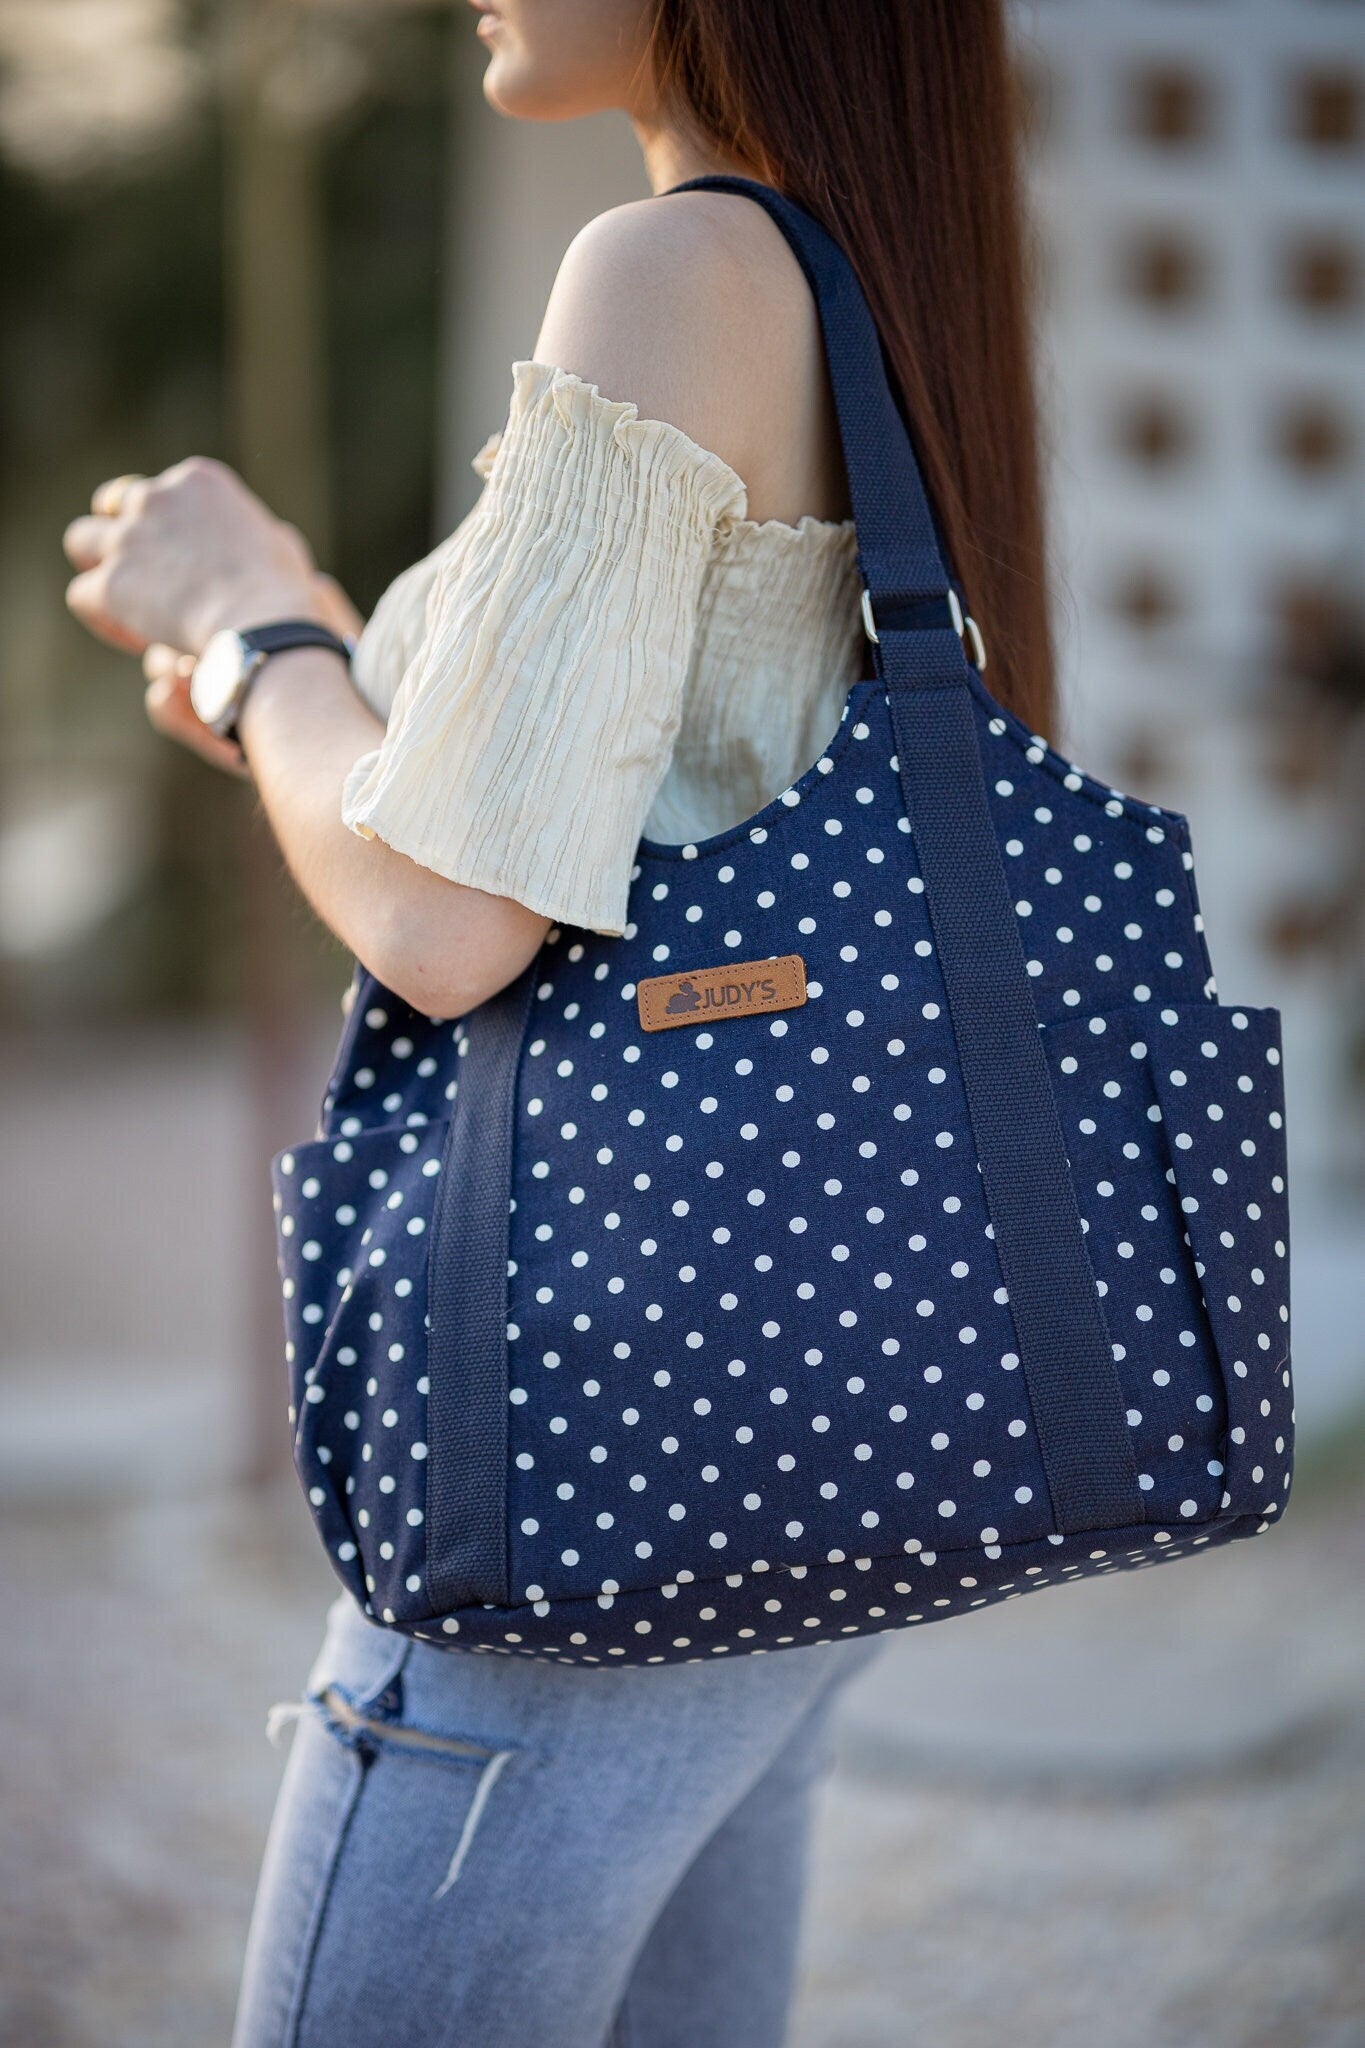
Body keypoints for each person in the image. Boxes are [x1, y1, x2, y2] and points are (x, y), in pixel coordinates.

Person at [61, 2, 1054, 2040]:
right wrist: (328, 677)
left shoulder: (674, 265)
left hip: (598, 1455)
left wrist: (252, 626)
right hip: (822, 1436)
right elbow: (602, 808)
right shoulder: (876, 277)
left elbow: (444, 918)